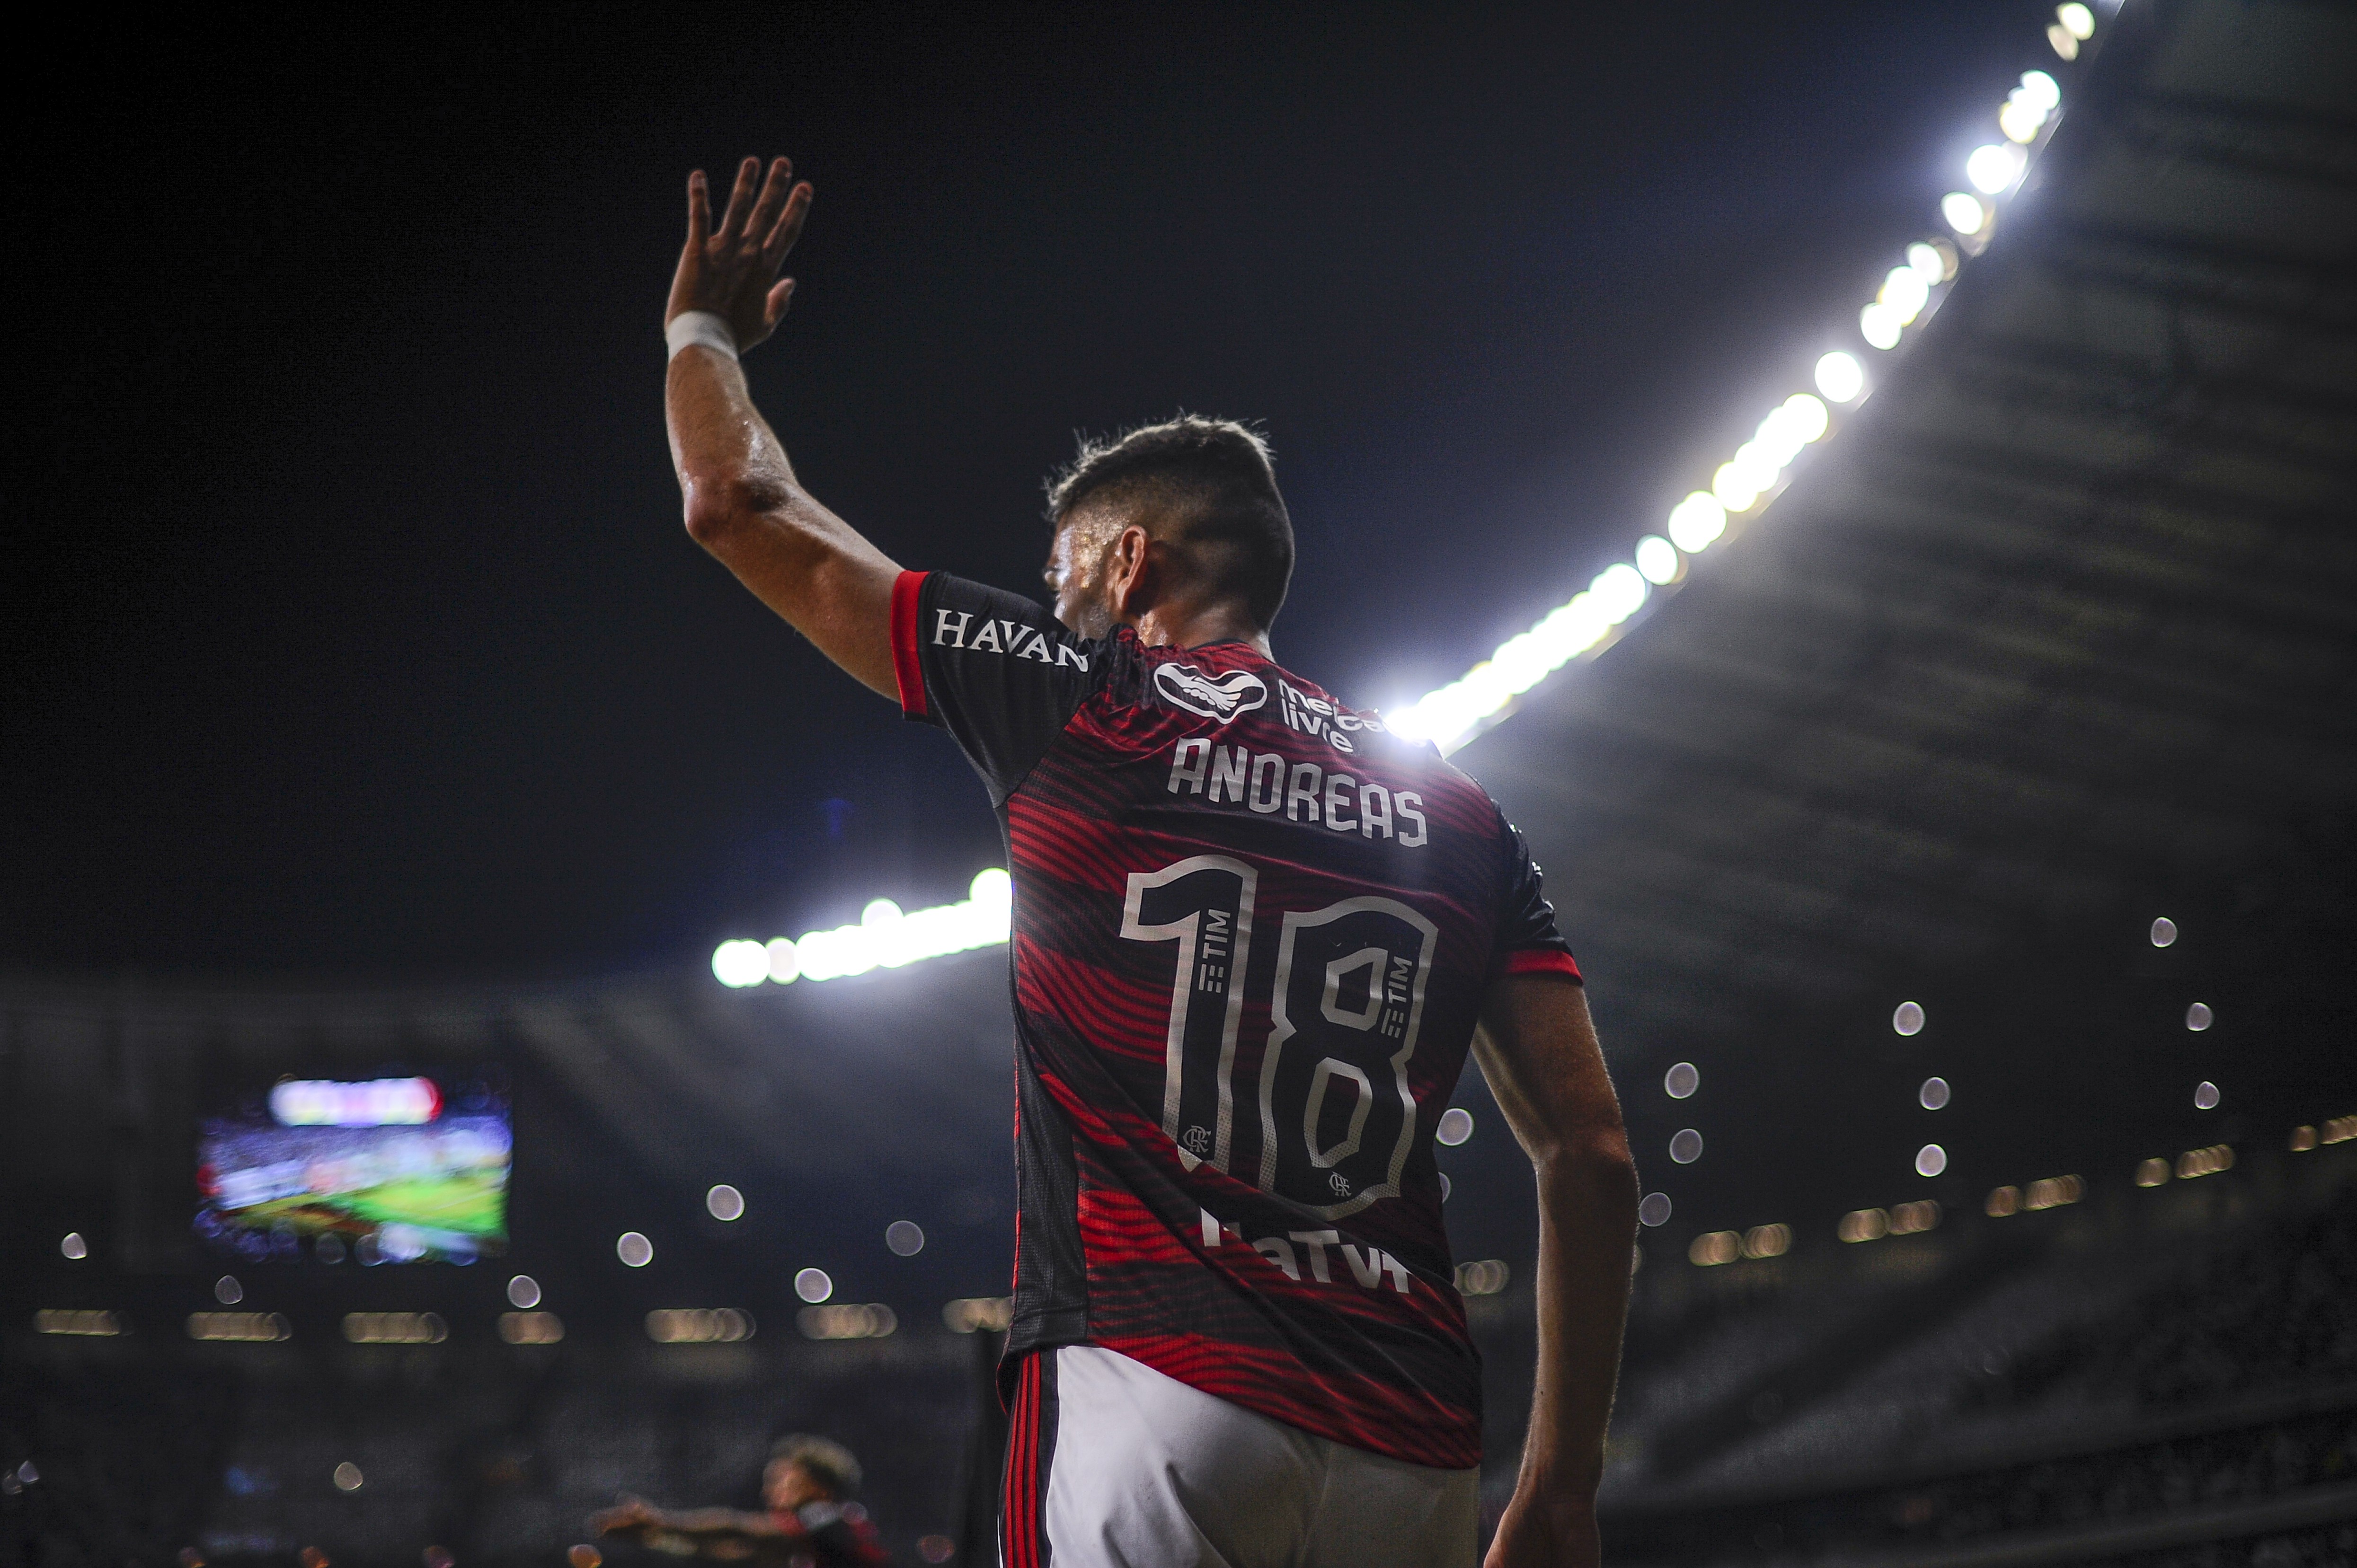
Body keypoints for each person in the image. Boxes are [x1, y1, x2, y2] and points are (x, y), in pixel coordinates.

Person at [661, 155, 1639, 1568]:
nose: (1060, 609)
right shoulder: (1461, 811)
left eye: (1067, 582)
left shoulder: (1084, 699)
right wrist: (1559, 1484)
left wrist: (700, 335)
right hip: (1413, 1445)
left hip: (1151, 1382)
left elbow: (733, 506)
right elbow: (1594, 1154)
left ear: (1127, 568)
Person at [591, 1434, 886, 1565]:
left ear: (820, 1488)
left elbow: (738, 1528)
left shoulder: (831, 1518)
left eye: (783, 1481)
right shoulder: (806, 1538)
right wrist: (654, 1538)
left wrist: (662, 1521)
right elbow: (734, 1552)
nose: (770, 1491)